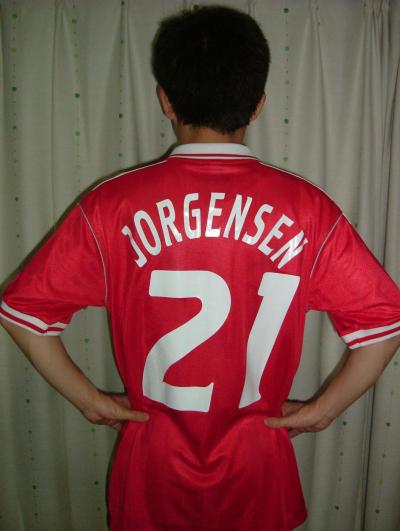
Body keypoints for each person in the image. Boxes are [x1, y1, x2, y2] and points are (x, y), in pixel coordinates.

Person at [1, 5, 399, 531]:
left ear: (165, 99)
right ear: (258, 104)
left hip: (153, 472)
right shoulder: (309, 211)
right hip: (258, 470)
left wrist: (91, 401)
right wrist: (322, 410)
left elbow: (24, 313)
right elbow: (384, 324)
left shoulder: (111, 207)